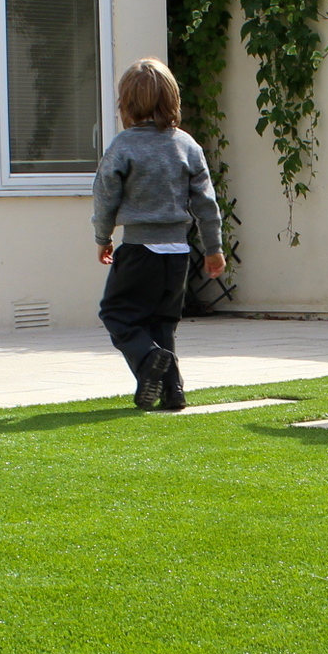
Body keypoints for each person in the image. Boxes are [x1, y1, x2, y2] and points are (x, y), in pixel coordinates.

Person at [90, 58, 225, 411]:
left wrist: (103, 237)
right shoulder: (186, 145)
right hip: (178, 251)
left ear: (126, 103)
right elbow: (206, 203)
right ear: (172, 100)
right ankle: (173, 391)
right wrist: (213, 249)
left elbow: (105, 196)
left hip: (139, 249)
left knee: (117, 313)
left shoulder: (124, 145)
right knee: (163, 321)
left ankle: (148, 358)